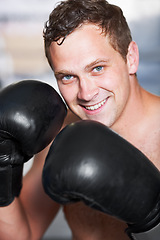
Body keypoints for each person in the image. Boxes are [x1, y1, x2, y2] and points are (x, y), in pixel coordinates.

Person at [0, 0, 159, 239]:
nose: (85, 93)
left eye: (97, 68)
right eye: (67, 77)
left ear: (131, 58)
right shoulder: (62, 137)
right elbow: (23, 235)